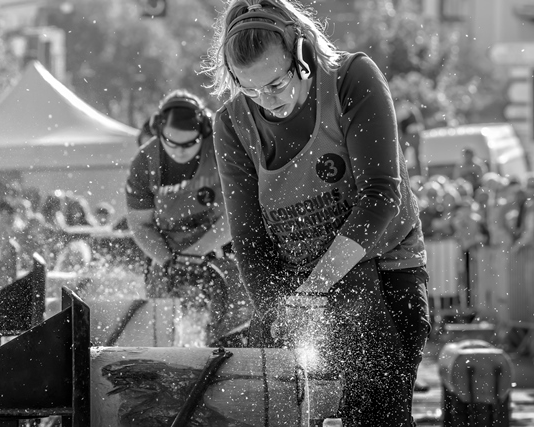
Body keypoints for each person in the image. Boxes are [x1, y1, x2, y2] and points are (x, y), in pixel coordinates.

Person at [203, 1, 430, 425]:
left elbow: (381, 196)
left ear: (302, 55)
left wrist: (314, 291)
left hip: (383, 269)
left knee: (376, 415)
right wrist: (278, 313)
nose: (267, 101)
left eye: (276, 83)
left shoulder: (351, 79)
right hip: (301, 288)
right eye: (250, 89)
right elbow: (250, 241)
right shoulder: (232, 124)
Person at [125, 89, 241, 346]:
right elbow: (141, 224)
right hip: (167, 254)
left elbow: (238, 214)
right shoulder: (145, 161)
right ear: (159, 130)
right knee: (164, 335)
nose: (179, 151)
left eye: (189, 143)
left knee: (231, 334)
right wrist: (168, 260)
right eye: (171, 142)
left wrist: (197, 252)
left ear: (204, 132)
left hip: (221, 247)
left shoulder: (223, 148)